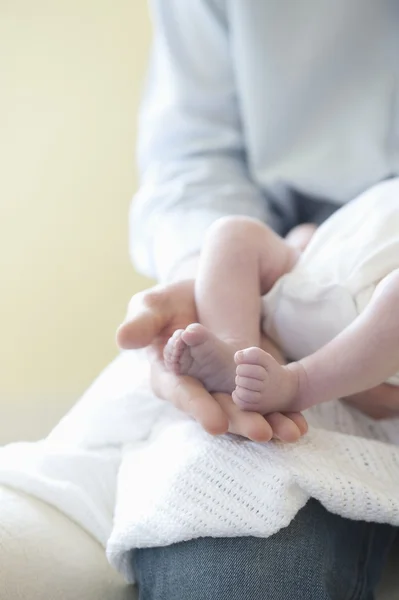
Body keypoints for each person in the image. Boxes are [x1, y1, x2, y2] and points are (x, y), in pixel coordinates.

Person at [117, 1, 399, 597]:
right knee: (229, 235)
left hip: (364, 321)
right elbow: (193, 158)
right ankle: (236, 351)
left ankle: (292, 381)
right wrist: (207, 279)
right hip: (316, 253)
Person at [163, 179, 399, 417]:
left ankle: (298, 385)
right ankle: (235, 351)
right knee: (232, 232)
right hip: (310, 268)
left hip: (381, 334)